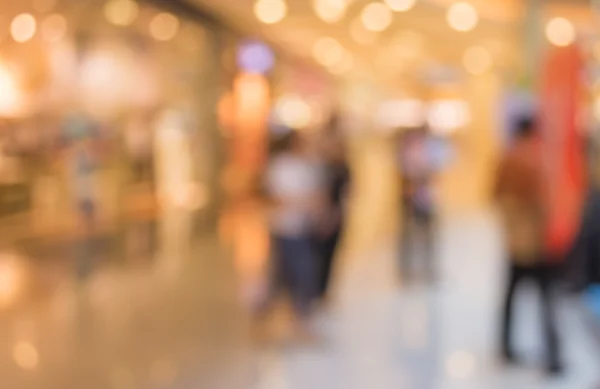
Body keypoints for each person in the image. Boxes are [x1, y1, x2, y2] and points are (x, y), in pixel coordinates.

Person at [495, 117, 563, 375]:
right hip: (536, 245)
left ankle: (505, 347)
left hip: (515, 244)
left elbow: (495, 197)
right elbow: (545, 206)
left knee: (512, 297)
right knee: (546, 299)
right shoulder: (535, 163)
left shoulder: (506, 160)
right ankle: (553, 355)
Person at [265, 130, 324, 337]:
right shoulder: (280, 166)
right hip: (285, 229)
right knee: (288, 275)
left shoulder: (308, 165)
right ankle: (281, 319)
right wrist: (303, 202)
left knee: (304, 274)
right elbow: (279, 198)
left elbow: (317, 196)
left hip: (305, 229)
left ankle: (300, 320)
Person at [313, 117, 350, 301]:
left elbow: (348, 189)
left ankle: (323, 289)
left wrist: (337, 212)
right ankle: (314, 288)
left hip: (336, 213)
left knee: (330, 253)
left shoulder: (342, 163)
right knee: (317, 253)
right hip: (321, 213)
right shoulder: (320, 165)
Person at [399, 127, 437, 282]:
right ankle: (407, 271)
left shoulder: (428, 151)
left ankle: (427, 268)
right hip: (410, 199)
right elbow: (406, 175)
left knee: (428, 234)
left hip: (425, 199)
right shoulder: (407, 152)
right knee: (408, 235)